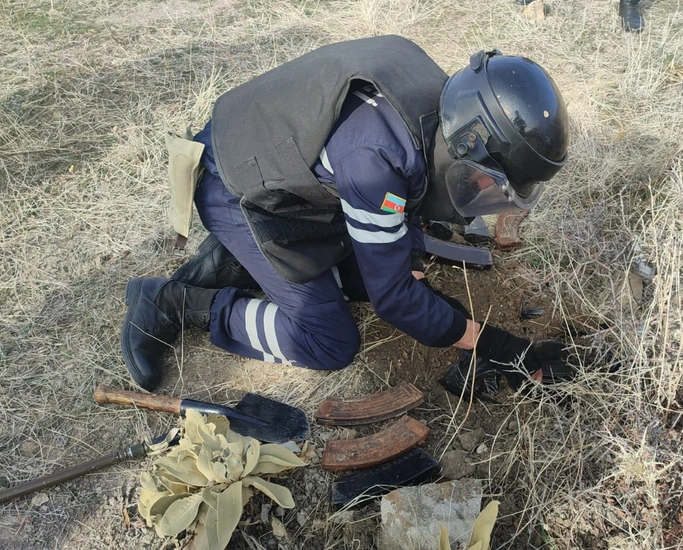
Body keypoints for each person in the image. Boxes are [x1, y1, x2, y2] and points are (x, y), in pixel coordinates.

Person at [120, 35, 571, 394]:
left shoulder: (441, 102)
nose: (484, 194)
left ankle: (240, 259)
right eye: (488, 181)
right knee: (328, 341)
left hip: (278, 162)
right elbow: (392, 298)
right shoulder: (375, 159)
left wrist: (409, 264)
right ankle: (175, 302)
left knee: (385, 264)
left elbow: (406, 196)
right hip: (235, 186)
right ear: (469, 142)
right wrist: (492, 344)